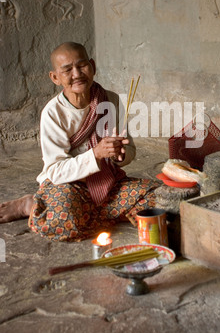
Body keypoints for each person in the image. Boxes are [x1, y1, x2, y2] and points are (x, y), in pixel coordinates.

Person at [0, 42, 159, 241]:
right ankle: (32, 204)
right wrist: (96, 154)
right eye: (67, 70)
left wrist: (120, 155)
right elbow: (56, 171)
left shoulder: (110, 100)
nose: (77, 74)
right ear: (55, 77)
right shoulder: (53, 113)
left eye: (82, 65)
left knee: (162, 198)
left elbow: (130, 149)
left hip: (107, 181)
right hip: (68, 185)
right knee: (64, 221)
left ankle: (75, 209)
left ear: (92, 65)